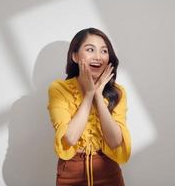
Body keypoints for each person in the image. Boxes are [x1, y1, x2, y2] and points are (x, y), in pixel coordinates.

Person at [47, 27, 131, 186]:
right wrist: (89, 93)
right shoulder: (58, 89)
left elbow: (114, 141)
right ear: (75, 56)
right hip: (70, 176)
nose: (98, 57)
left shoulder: (118, 92)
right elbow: (70, 137)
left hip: (109, 174)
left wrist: (98, 95)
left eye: (104, 51)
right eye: (90, 49)